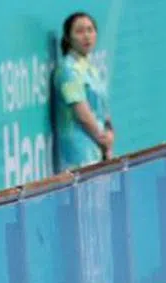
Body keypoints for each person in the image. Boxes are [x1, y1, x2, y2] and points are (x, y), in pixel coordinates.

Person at [53, 11, 113, 171]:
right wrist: (103, 140)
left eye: (90, 30)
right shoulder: (67, 70)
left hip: (99, 149)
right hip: (79, 153)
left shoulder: (92, 70)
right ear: (68, 38)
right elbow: (82, 113)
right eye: (79, 31)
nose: (86, 36)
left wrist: (109, 135)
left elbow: (105, 112)